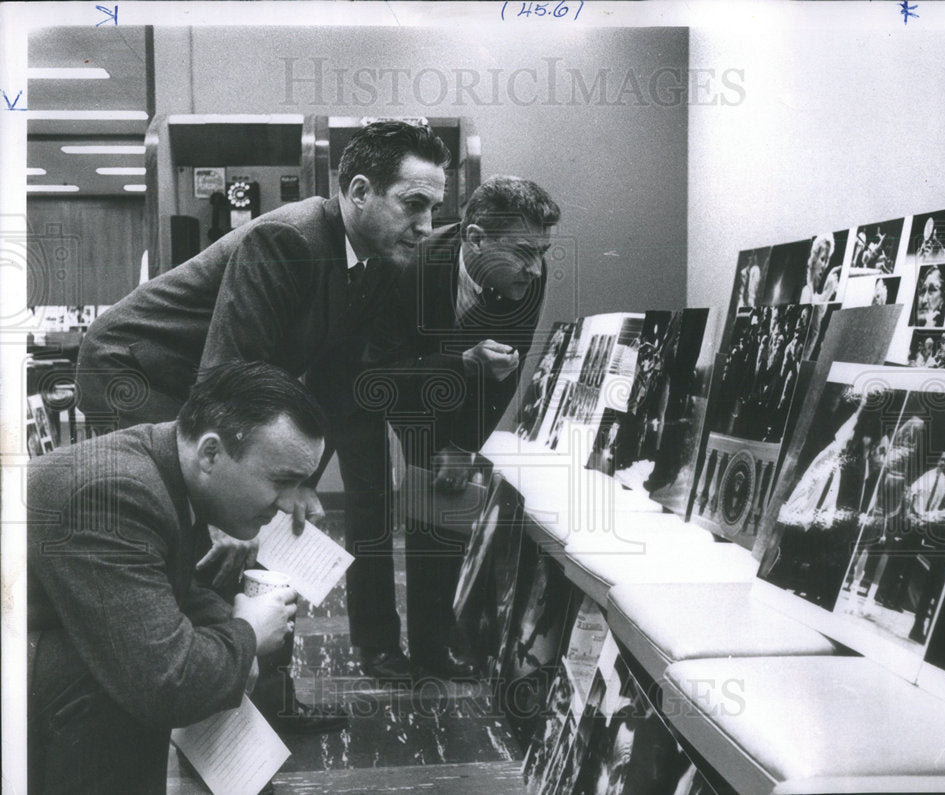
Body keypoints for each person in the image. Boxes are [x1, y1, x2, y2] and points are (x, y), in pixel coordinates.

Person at [74, 120, 451, 711]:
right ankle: (192, 698)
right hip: (137, 368)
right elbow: (224, 381)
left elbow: (335, 383)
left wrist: (297, 484)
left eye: (435, 208)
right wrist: (236, 505)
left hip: (209, 385)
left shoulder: (377, 262)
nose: (427, 226)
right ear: (358, 192)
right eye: (414, 204)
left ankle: (265, 701)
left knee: (266, 522)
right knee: (203, 531)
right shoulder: (289, 240)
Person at [27, 362, 325, 793]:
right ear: (210, 453)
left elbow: (167, 587)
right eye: (282, 480)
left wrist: (229, 638)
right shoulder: (113, 493)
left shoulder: (162, 465)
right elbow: (164, 682)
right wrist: (247, 633)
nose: (287, 504)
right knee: (116, 682)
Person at [363, 175, 560, 677]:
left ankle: (434, 642)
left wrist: (461, 447)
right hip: (370, 387)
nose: (535, 268)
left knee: (444, 504)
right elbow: (382, 374)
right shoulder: (407, 265)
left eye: (543, 251)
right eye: (523, 252)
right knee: (370, 518)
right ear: (474, 239)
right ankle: (379, 644)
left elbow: (502, 374)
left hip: (453, 386)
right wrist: (462, 365)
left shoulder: (527, 275)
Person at [799, 232, 839, 304]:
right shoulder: (806, 292)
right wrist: (828, 292)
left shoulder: (815, 293)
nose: (824, 265)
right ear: (814, 259)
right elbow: (815, 312)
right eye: (822, 259)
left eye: (827, 260)